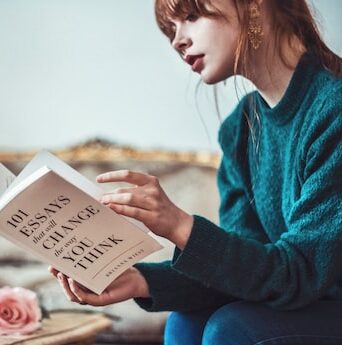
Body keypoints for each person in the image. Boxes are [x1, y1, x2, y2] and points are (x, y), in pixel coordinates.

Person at [49, 0, 342, 344]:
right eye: (171, 29)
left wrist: (179, 225)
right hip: (306, 300)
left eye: (191, 16)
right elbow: (248, 266)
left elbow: (300, 273)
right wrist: (140, 280)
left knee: (231, 329)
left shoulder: (332, 109)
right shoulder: (239, 131)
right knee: (185, 323)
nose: (177, 40)